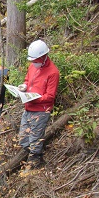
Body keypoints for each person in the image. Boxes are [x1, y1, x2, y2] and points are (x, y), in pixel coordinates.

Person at [17, 40, 60, 168]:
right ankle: (36, 156)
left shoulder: (53, 72)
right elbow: (27, 79)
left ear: (43, 56)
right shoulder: (32, 66)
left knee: (35, 141)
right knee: (24, 139)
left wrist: (35, 99)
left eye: (35, 60)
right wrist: (24, 86)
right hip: (28, 108)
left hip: (41, 110)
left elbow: (50, 96)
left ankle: (34, 164)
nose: (33, 62)